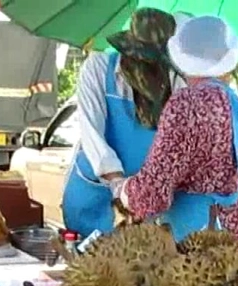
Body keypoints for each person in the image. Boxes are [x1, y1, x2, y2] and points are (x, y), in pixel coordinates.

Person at [111, 16, 238, 264]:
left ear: (181, 59)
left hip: (205, 241)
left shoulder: (185, 104)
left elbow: (153, 192)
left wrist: (124, 191)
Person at [63, 8, 188, 240]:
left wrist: (149, 191)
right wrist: (119, 185)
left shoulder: (176, 82)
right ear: (128, 48)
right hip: (95, 192)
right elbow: (92, 134)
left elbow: (177, 145)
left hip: (146, 200)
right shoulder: (99, 68)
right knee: (92, 266)